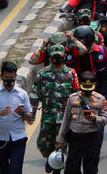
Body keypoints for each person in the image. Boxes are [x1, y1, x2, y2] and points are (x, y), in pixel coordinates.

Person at [30, 44, 79, 172]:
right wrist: (32, 113)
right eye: (54, 57)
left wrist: (75, 116)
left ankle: (57, 165)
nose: (57, 59)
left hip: (64, 118)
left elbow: (76, 97)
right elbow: (35, 94)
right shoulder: (43, 73)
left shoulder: (71, 74)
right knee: (44, 144)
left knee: (61, 145)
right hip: (48, 115)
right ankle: (49, 158)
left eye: (59, 56)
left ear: (64, 57)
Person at [0, 61, 34, 174]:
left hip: (18, 138)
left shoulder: (22, 94)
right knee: (2, 171)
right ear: (1, 76)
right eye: (6, 78)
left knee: (15, 170)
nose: (9, 81)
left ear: (15, 76)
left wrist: (22, 113)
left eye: (12, 78)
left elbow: (30, 117)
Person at [57, 70, 107, 174]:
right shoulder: (72, 98)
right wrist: (60, 139)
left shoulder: (101, 99)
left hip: (92, 138)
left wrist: (95, 118)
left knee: (91, 169)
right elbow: (66, 119)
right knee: (71, 169)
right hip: (75, 138)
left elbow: (105, 119)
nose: (87, 91)